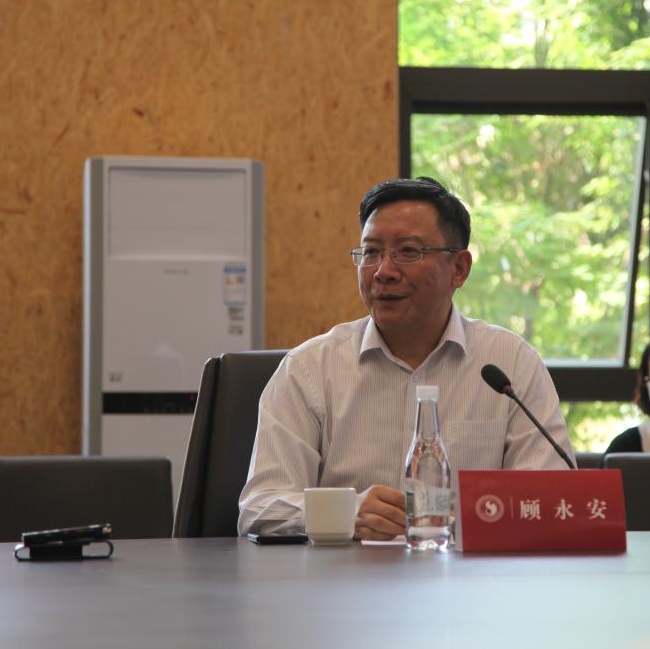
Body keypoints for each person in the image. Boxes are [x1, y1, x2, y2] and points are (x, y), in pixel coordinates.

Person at [239, 177, 574, 540]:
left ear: (459, 268)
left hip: (468, 573)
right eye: (371, 252)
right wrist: (344, 514)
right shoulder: (309, 369)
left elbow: (551, 499)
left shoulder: (510, 363)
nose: (383, 271)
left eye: (408, 251)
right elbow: (260, 507)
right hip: (346, 574)